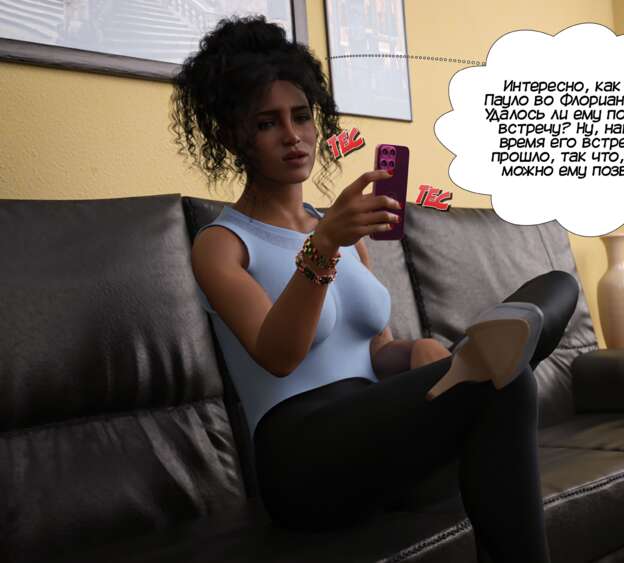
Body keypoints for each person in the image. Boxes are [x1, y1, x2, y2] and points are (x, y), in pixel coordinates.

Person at [169, 15, 580, 563]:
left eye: (301, 116)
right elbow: (278, 355)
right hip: (302, 458)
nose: (293, 135)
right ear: (231, 135)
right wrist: (322, 246)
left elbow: (377, 352)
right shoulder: (223, 244)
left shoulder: (343, 234)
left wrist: (416, 352)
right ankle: (484, 357)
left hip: (374, 432)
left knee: (555, 291)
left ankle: (484, 353)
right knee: (502, 380)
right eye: (268, 123)